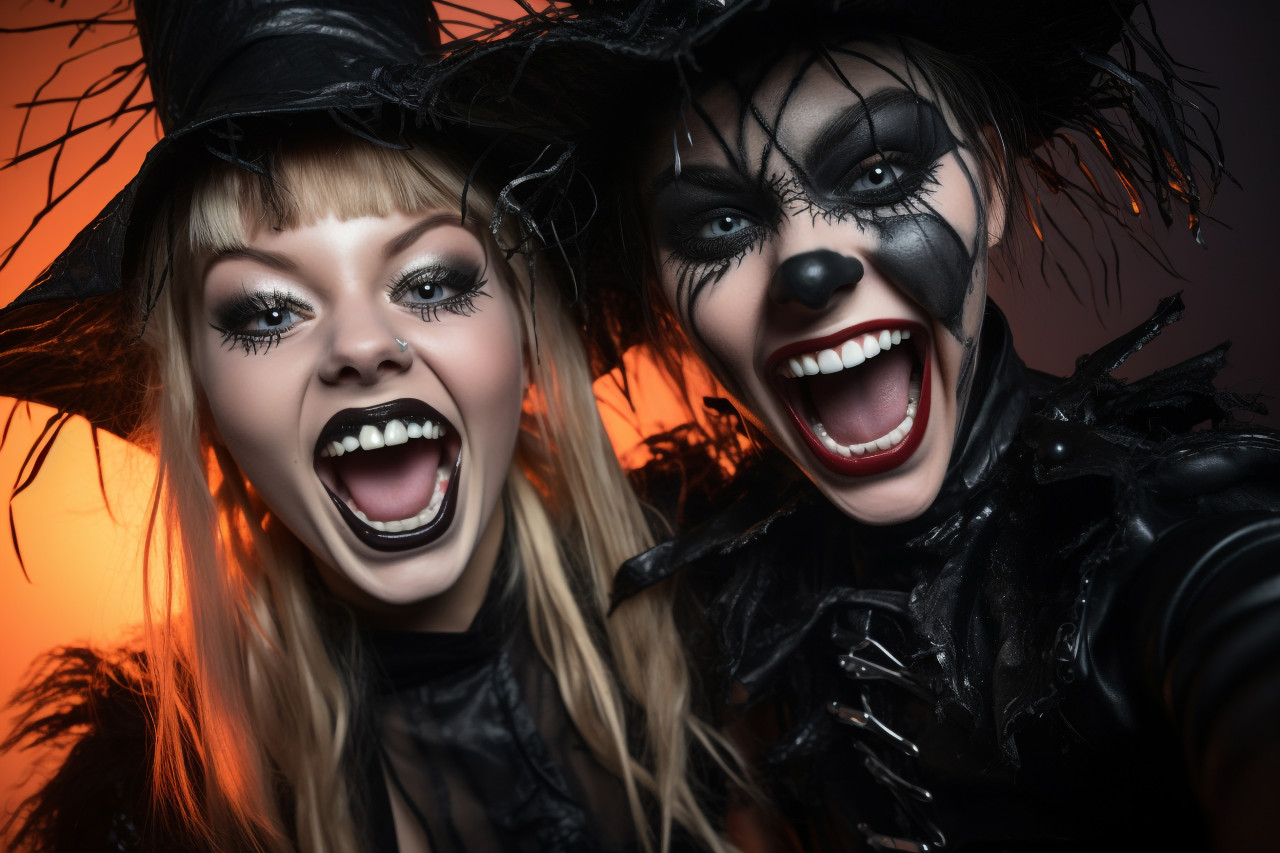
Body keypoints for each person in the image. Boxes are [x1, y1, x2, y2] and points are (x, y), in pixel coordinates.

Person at [421, 1, 1280, 849]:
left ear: (991, 181)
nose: (808, 263)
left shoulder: (1171, 550)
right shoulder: (700, 588)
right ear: (662, 290)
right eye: (719, 224)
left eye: (876, 173)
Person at [0, 2, 748, 851]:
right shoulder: (154, 818)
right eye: (267, 310)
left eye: (430, 283)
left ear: (526, 324)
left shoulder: (750, 620)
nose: (359, 346)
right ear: (201, 396)